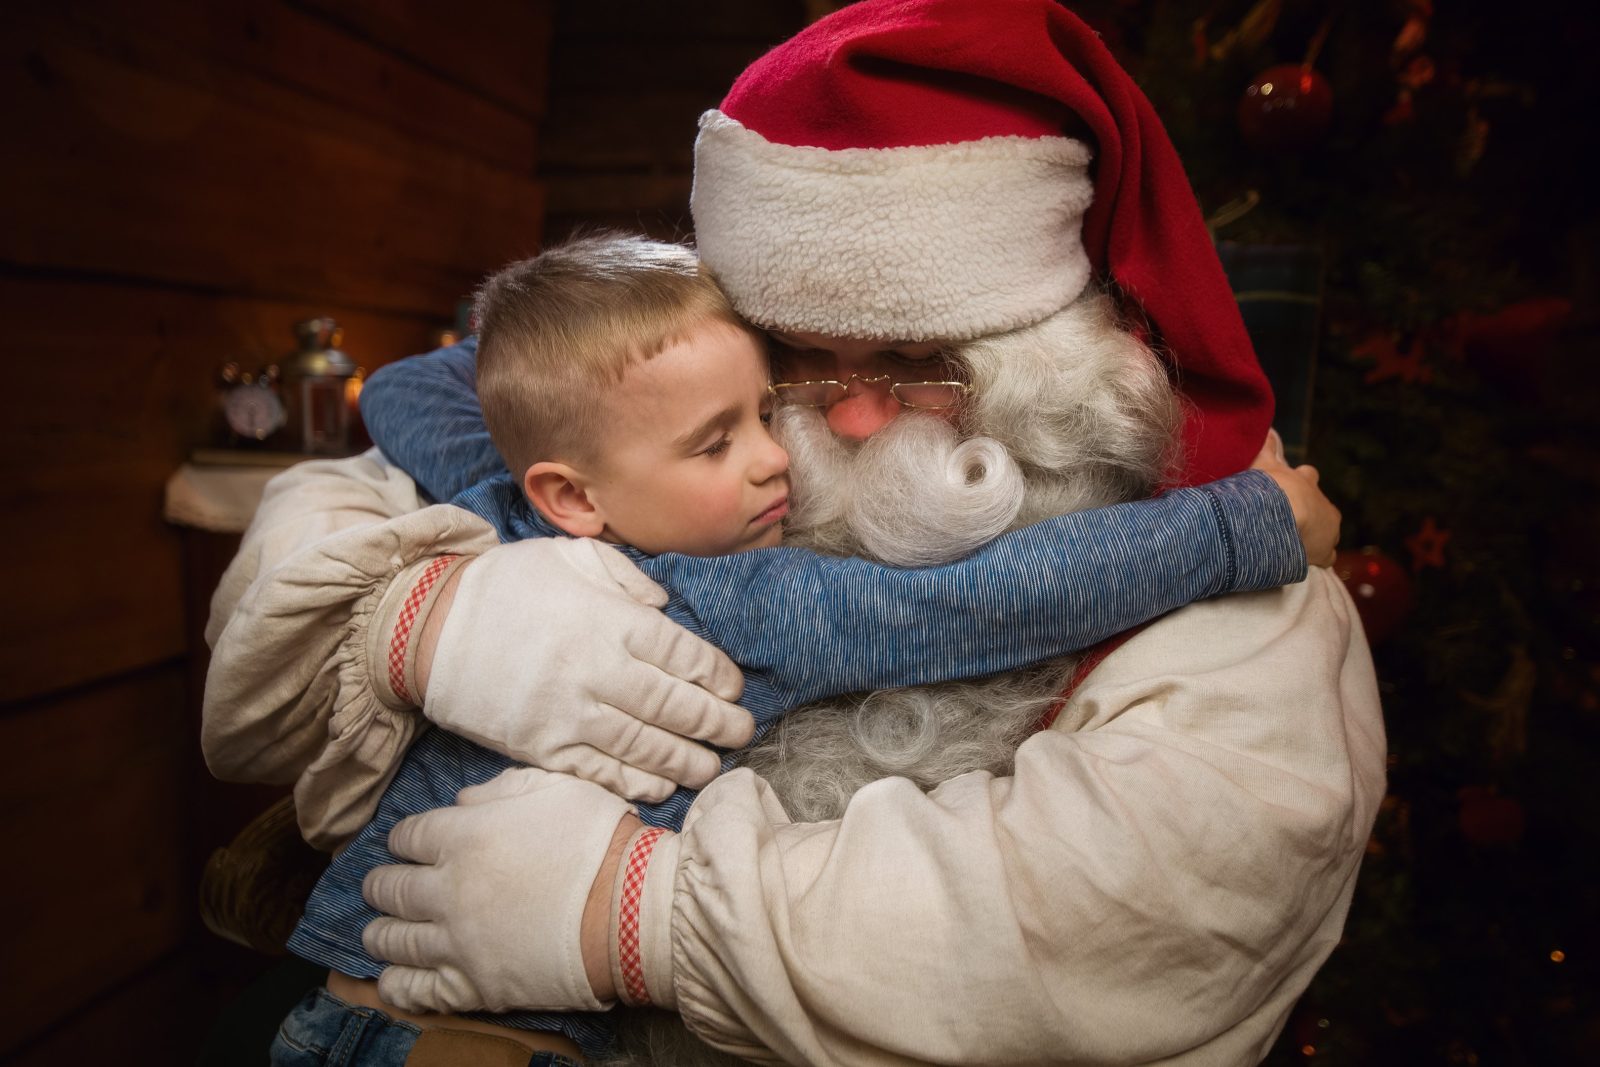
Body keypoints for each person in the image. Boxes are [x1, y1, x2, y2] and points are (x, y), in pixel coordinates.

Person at [204, 1, 1385, 1063]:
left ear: (1046, 354)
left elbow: (1119, 914)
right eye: (800, 358)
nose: (848, 421)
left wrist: (639, 909)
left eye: (919, 362)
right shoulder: (642, 430)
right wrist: (429, 615)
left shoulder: (1231, 589)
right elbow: (421, 407)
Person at [276, 232, 1328, 1064]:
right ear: (572, 493)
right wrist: (1245, 522)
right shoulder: (736, 596)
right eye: (716, 438)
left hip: (347, 986)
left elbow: (410, 395)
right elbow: (981, 602)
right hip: (462, 1031)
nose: (774, 457)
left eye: (763, 408)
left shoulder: (512, 497)